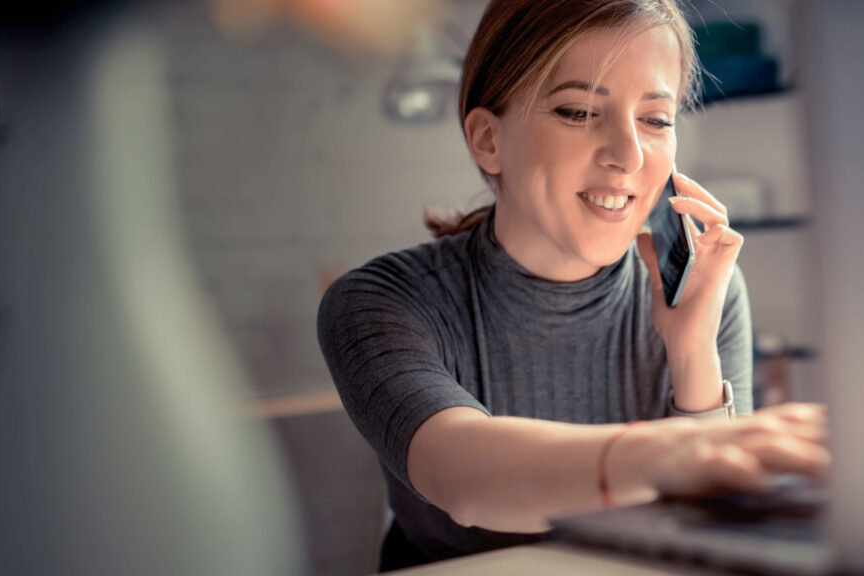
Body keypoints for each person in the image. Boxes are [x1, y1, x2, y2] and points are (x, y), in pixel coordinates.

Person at [317, 0, 829, 571]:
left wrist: (692, 354)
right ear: (488, 139)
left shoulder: (708, 291)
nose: (629, 155)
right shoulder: (380, 302)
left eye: (656, 120)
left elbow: (712, 536)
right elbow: (462, 478)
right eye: (580, 111)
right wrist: (674, 453)